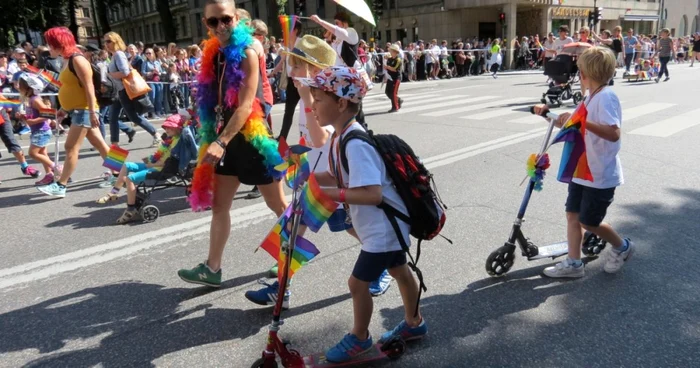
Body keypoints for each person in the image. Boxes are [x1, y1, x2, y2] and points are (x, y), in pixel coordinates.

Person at [298, 66, 426, 363]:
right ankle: (415, 323)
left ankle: (360, 337)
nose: (313, 105)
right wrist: (312, 179)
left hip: (382, 229)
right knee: (399, 271)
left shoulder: (355, 143)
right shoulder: (341, 137)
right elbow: (337, 173)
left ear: (341, 103)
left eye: (317, 99)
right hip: (384, 227)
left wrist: (329, 194)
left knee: (357, 284)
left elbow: (372, 194)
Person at [177, 0, 288, 288]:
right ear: (206, 24)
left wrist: (220, 142)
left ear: (236, 17)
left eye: (225, 19)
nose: (220, 26)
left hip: (251, 138)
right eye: (213, 22)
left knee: (278, 205)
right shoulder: (215, 52)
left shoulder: (248, 52)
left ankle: (288, 257)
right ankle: (212, 268)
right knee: (219, 206)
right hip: (224, 137)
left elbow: (246, 106)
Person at [534, 46, 633, 278]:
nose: (578, 76)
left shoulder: (606, 97)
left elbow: (613, 133)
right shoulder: (590, 96)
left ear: (586, 73)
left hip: (600, 174)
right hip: (583, 169)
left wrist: (582, 122)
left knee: (589, 222)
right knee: (572, 215)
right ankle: (574, 264)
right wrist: (549, 114)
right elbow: (573, 124)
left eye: (579, 71)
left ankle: (623, 247)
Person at [37, 27, 112, 198]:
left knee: (70, 147)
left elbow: (89, 87)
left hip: (85, 110)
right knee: (101, 145)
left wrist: (93, 112)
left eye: (50, 44)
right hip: (79, 109)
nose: (48, 48)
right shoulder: (67, 59)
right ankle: (121, 172)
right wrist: (64, 109)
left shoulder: (77, 59)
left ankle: (61, 185)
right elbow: (72, 88)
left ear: (59, 44)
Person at [98, 114, 196, 224]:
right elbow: (160, 155)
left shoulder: (178, 143)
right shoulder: (171, 139)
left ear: (178, 128)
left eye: (169, 127)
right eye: (165, 127)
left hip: (162, 170)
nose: (166, 129)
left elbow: (165, 163)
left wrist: (150, 164)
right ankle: (114, 193)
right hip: (157, 165)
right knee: (126, 165)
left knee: (130, 178)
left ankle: (131, 209)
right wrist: (150, 159)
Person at [309, 11, 367, 128]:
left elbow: (338, 31)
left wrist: (320, 21)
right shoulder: (338, 40)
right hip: (341, 78)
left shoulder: (351, 33)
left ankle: (364, 131)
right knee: (344, 109)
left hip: (351, 77)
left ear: (345, 23)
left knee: (355, 108)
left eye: (337, 23)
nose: (335, 25)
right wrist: (329, 39)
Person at [104, 31, 160, 147]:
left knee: (134, 117)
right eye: (105, 41)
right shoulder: (114, 55)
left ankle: (156, 134)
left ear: (116, 41)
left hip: (125, 91)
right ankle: (115, 144)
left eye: (108, 41)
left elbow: (125, 71)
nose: (106, 44)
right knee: (112, 118)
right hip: (118, 92)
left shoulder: (119, 54)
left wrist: (110, 75)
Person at [16, 74, 58, 185]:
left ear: (29, 87)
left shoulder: (35, 100)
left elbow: (50, 115)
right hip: (37, 131)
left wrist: (33, 122)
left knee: (33, 153)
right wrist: (23, 117)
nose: (18, 86)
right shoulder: (30, 99)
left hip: (42, 131)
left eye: (21, 85)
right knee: (43, 153)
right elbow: (32, 117)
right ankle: (50, 175)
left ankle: (56, 168)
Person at [385, 44, 403, 112]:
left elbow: (395, 69)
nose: (390, 52)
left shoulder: (398, 60)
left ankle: (395, 107)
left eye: (391, 51)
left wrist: (388, 67)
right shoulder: (389, 59)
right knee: (387, 92)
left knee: (393, 93)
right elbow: (387, 67)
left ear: (395, 52)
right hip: (390, 77)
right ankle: (398, 100)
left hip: (396, 78)